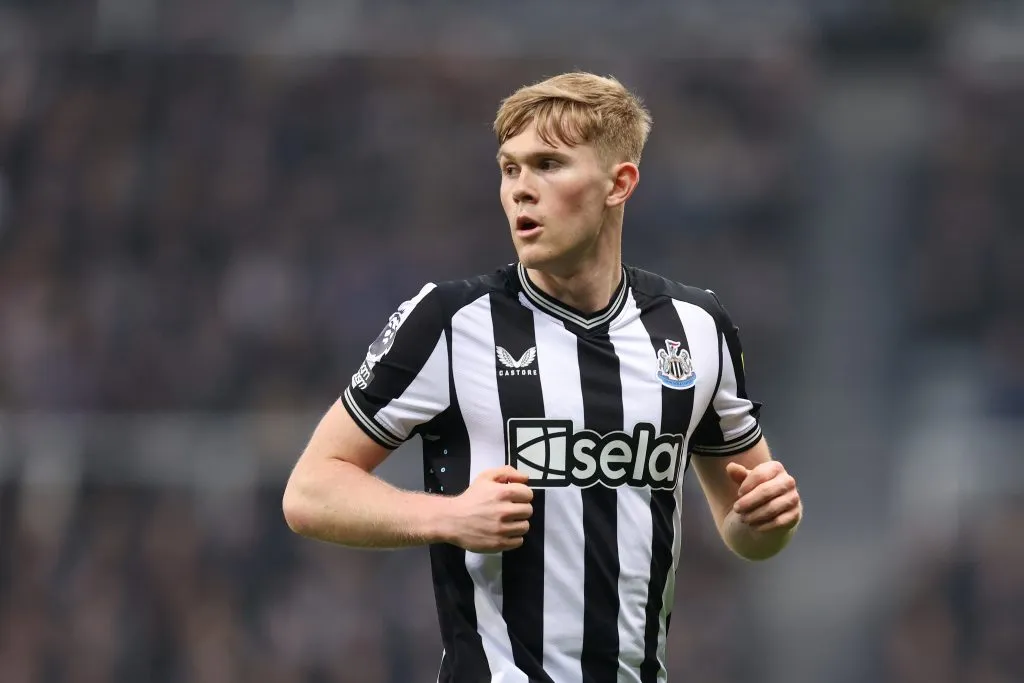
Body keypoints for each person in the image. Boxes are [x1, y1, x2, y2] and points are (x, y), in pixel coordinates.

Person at [283, 72, 803, 683]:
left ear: (620, 184)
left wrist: (764, 521)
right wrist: (448, 517)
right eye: (510, 169)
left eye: (548, 165)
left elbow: (743, 529)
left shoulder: (697, 327)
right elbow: (310, 491)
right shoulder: (449, 321)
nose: (520, 191)